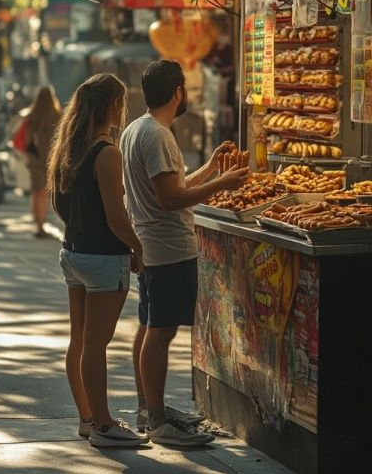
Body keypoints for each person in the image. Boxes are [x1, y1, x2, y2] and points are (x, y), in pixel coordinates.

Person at [120, 59, 249, 447]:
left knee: (150, 327)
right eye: (185, 88)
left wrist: (210, 169)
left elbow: (172, 187)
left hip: (154, 245)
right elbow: (169, 198)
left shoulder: (137, 129)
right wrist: (223, 182)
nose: (187, 94)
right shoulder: (156, 135)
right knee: (159, 332)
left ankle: (150, 409)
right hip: (166, 247)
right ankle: (157, 419)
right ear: (177, 91)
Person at [47, 73, 147, 449]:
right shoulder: (107, 151)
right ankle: (104, 424)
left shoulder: (69, 147)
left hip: (72, 253)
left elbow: (59, 205)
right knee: (96, 343)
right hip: (103, 259)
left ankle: (87, 418)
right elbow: (116, 216)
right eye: (122, 102)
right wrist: (138, 248)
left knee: (79, 338)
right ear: (112, 106)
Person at [24, 86, 61, 237]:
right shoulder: (57, 115)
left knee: (35, 192)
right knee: (45, 193)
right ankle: (41, 224)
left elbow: (26, 139)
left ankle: (38, 224)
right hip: (50, 158)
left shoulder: (32, 115)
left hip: (35, 158)